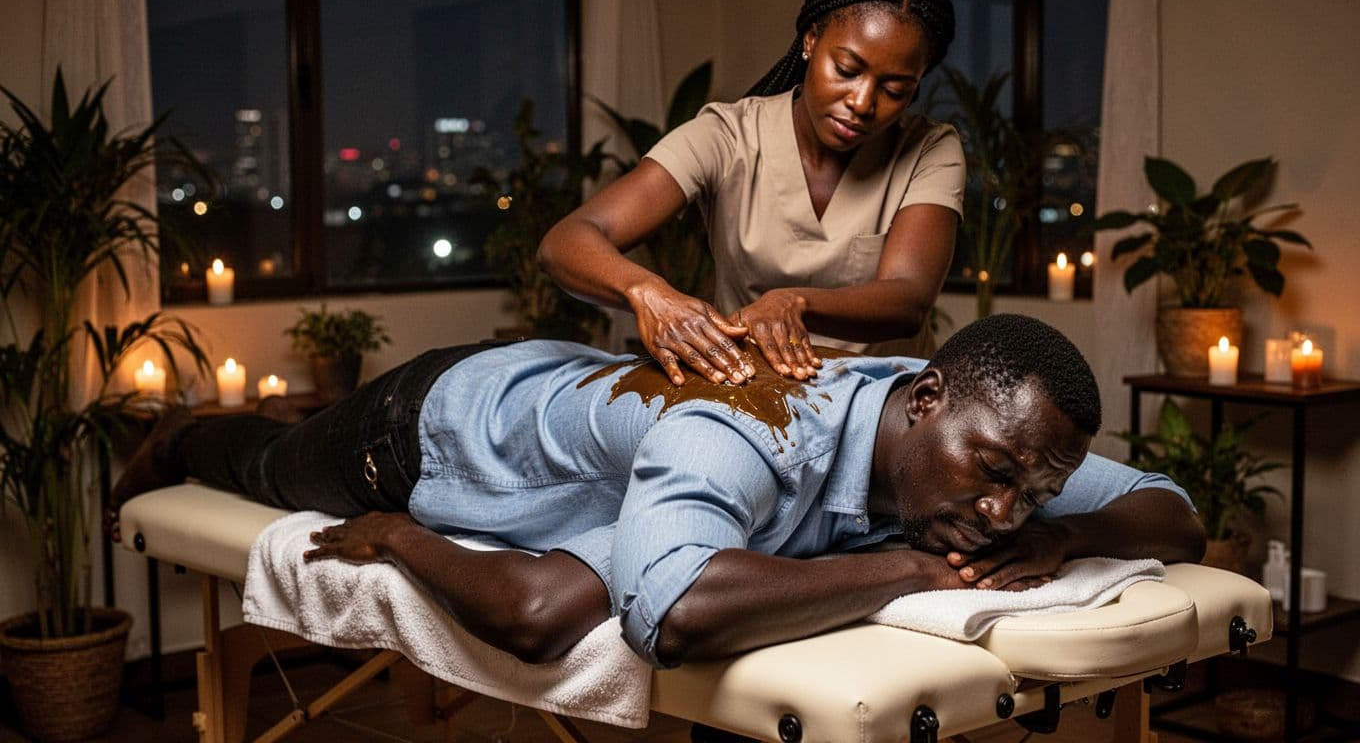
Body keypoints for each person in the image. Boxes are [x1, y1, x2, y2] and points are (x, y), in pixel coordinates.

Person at [107, 315, 1205, 668]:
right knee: (260, 460)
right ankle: (174, 436)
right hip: (436, 431)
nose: (1009, 510)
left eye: (1038, 488)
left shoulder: (999, 445)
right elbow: (669, 614)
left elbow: (1172, 506)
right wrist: (913, 569)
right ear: (924, 402)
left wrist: (1064, 538)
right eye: (999, 475)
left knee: (559, 585)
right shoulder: (742, 433)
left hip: (597, 440)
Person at [538, 0, 963, 388]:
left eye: (894, 89)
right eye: (847, 69)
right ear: (811, 41)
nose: (862, 101)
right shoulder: (727, 136)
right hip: (753, 394)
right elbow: (567, 241)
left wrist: (795, 303)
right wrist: (648, 293)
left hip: (884, 402)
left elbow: (908, 298)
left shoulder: (930, 149)